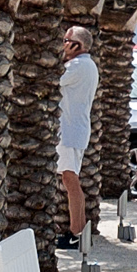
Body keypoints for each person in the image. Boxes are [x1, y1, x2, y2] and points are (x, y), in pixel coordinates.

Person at [56, 27, 99, 250]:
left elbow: (54, 78)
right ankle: (79, 232)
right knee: (72, 181)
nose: (63, 44)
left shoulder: (76, 66)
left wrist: (61, 56)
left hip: (70, 131)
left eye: (66, 41)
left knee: (71, 181)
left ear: (77, 45)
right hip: (76, 129)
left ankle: (76, 233)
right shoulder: (88, 65)